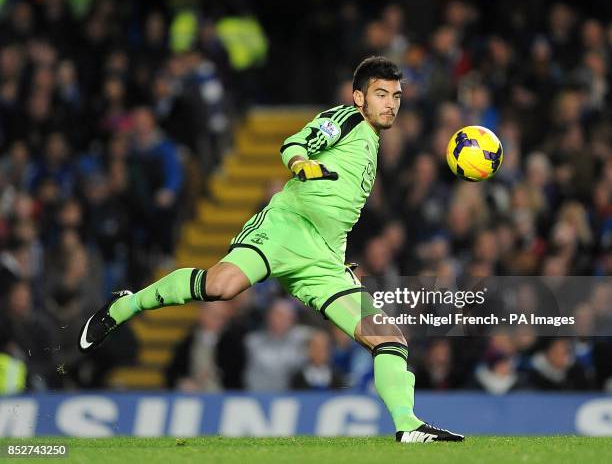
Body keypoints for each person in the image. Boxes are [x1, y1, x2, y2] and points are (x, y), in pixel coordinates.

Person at [78, 56, 463, 443]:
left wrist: (337, 254)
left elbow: (337, 209)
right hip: (284, 229)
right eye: (381, 94)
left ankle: (408, 426)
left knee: (389, 338)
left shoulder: (373, 143)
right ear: (358, 97)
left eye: (396, 96)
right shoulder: (347, 119)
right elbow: (295, 143)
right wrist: (301, 165)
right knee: (221, 287)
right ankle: (125, 305)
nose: (391, 103)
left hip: (324, 259)